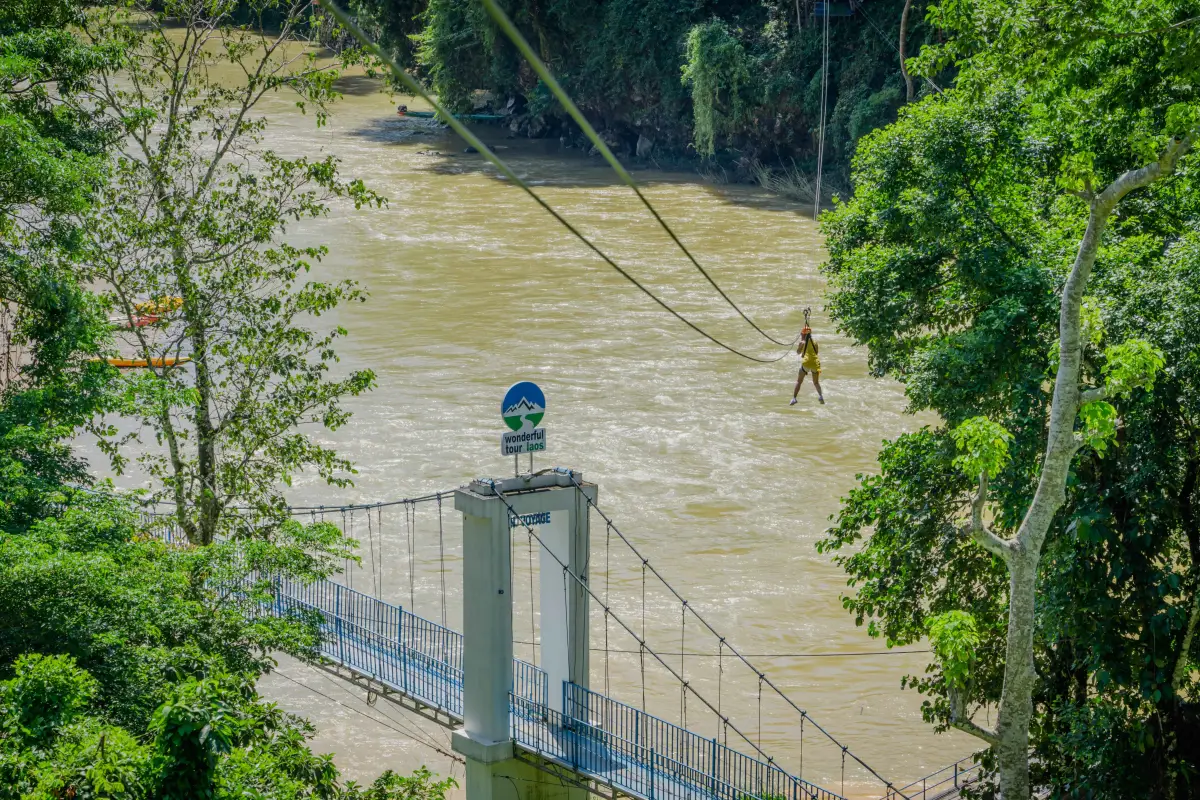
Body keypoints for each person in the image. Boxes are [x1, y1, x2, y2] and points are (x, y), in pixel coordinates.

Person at [790, 327, 825, 405]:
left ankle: (794, 398)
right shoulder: (815, 342)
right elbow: (816, 352)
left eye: (801, 334)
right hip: (816, 363)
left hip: (806, 363)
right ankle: (820, 396)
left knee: (799, 381)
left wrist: (800, 348)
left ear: (803, 334)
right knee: (816, 382)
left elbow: (798, 352)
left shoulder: (802, 342)